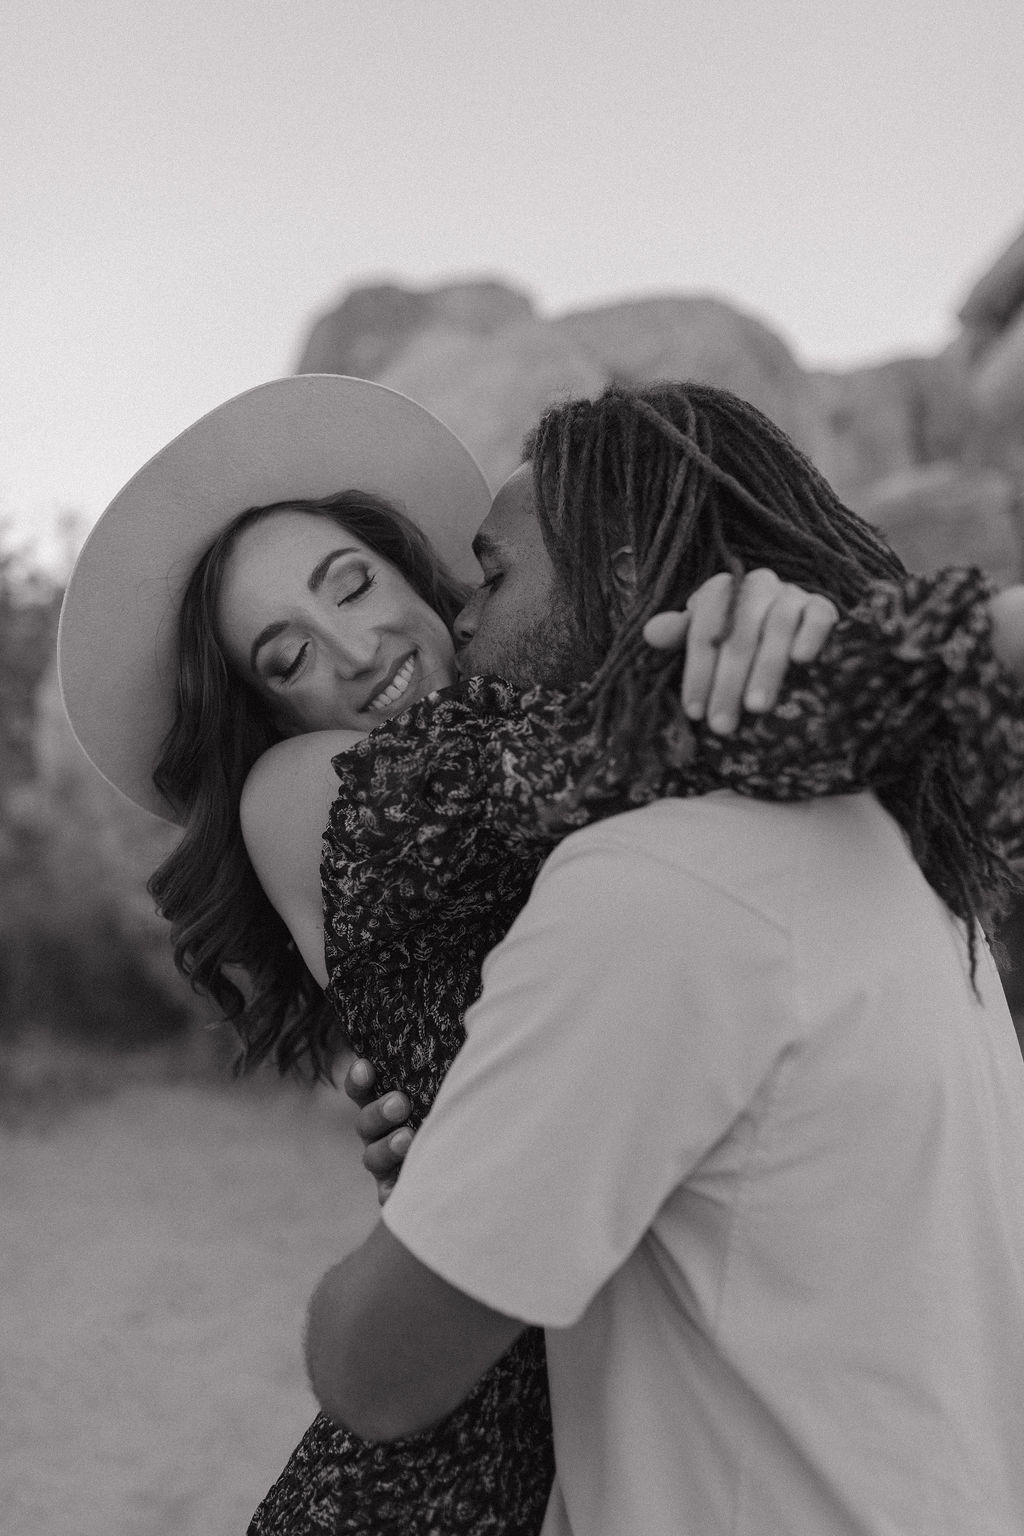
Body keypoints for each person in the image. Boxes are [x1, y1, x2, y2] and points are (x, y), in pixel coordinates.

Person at [56, 377, 1024, 1535]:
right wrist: (810, 650)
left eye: (353, 585)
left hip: (612, 1388)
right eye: (285, 655)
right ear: (266, 712)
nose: (355, 651)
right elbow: (607, 742)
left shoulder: (685, 842)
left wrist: (767, 635)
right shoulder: (303, 790)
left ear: (433, 579)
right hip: (457, 1459)